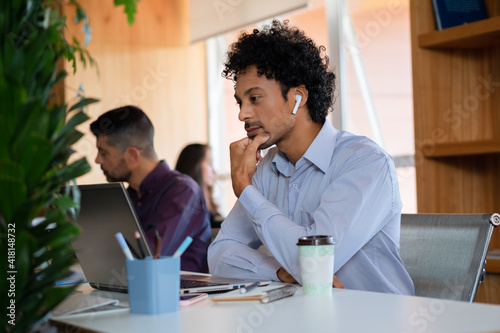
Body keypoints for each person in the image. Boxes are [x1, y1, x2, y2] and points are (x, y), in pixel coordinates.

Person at [207, 20, 414, 294]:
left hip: (375, 319)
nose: (242, 114)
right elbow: (219, 254)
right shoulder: (268, 169)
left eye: (254, 98)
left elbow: (315, 264)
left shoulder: (364, 162)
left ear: (297, 97)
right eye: (239, 101)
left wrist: (244, 188)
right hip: (306, 316)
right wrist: (279, 272)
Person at [90, 105, 211, 272]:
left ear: (132, 155)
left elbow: (149, 255)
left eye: (103, 153)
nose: (97, 160)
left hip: (179, 293)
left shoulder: (183, 191)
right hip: (132, 288)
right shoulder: (128, 195)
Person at [175, 144, 224, 229]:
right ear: (194, 167)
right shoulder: (188, 211)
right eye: (209, 164)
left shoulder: (210, 207)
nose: (214, 171)